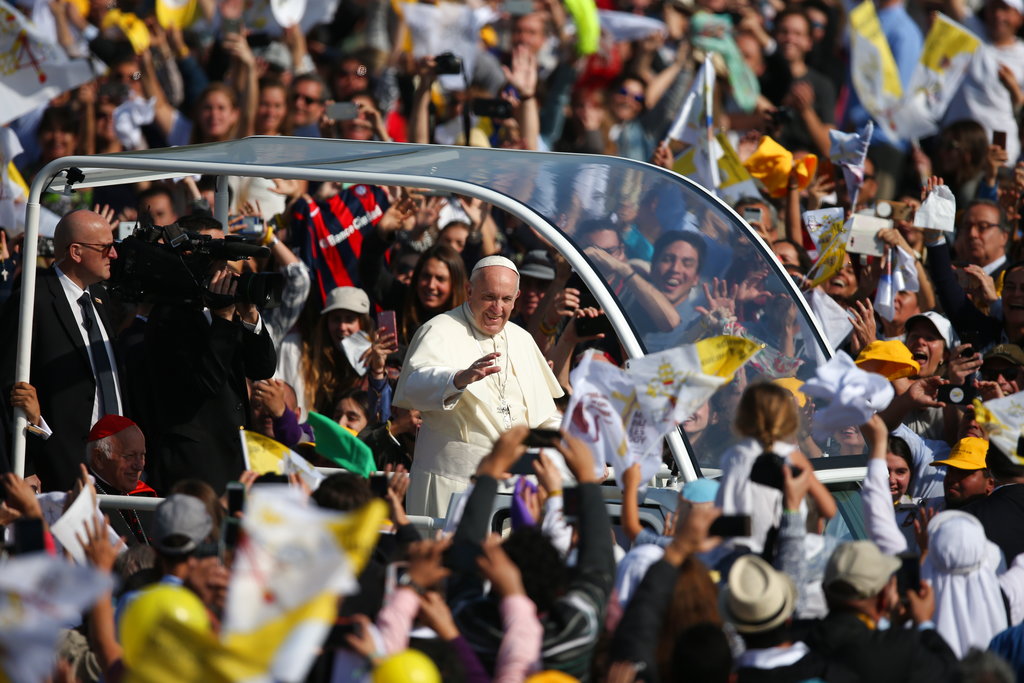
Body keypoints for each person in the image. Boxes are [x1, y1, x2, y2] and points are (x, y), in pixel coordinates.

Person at [393, 256, 564, 517]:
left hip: (514, 490)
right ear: (469, 291)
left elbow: (544, 416)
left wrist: (578, 446)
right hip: (450, 484)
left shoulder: (522, 339)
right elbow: (414, 386)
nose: (497, 308)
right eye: (489, 297)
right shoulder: (438, 329)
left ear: (516, 297)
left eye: (506, 299)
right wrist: (457, 379)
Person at [141, 215, 277, 494]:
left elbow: (262, 369)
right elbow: (206, 383)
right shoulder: (169, 315)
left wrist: (249, 316)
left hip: (232, 455)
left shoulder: (225, 308)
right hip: (193, 466)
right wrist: (224, 321)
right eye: (214, 253)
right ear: (188, 254)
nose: (222, 264)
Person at [0, 209, 126, 491]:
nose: (114, 255)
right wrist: (26, 466)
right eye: (105, 247)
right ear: (76, 252)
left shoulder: (99, 297)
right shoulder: (34, 298)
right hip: (57, 467)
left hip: (113, 465)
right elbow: (10, 384)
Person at [794, 540, 958, 683]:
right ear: (883, 598)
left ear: (824, 590)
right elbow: (951, 673)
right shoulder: (904, 649)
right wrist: (923, 622)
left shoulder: (795, 635)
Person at [85, 414, 155, 546]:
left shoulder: (143, 495)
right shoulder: (82, 502)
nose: (139, 465)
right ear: (99, 458)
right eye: (129, 456)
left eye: (142, 455)